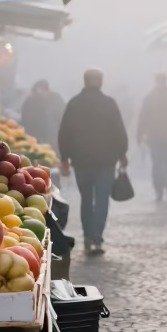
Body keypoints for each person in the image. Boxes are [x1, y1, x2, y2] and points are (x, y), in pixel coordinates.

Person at [57, 69, 129, 255]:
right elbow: (119, 131)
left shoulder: (74, 104)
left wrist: (65, 158)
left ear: (85, 81)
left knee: (86, 199)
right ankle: (96, 236)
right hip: (106, 160)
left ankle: (88, 236)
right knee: (103, 198)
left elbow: (64, 132)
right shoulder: (109, 103)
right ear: (101, 82)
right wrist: (122, 153)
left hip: (81, 160)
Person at [20, 80, 65, 150]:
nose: (39, 95)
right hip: (35, 136)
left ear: (47, 90)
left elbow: (61, 116)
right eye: (36, 93)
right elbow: (25, 119)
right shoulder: (30, 101)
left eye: (41, 92)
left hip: (52, 136)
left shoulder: (56, 99)